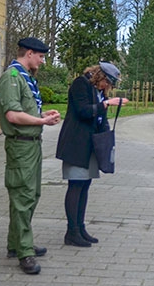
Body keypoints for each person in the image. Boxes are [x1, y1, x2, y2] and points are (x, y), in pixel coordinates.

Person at [0, 37, 61, 275]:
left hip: (32, 145)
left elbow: (26, 110)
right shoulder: (12, 78)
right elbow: (13, 115)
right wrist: (42, 121)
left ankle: (16, 243)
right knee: (22, 197)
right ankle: (24, 252)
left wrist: (43, 115)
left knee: (32, 194)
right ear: (30, 53)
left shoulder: (26, 78)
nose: (42, 62)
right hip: (20, 146)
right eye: (41, 57)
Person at [55, 62, 129, 248]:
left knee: (85, 185)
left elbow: (99, 118)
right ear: (100, 76)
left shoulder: (97, 90)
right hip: (76, 144)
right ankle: (71, 232)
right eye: (107, 83)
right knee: (76, 185)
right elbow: (82, 111)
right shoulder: (80, 84)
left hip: (90, 145)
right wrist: (105, 104)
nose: (108, 88)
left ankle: (80, 228)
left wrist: (106, 137)